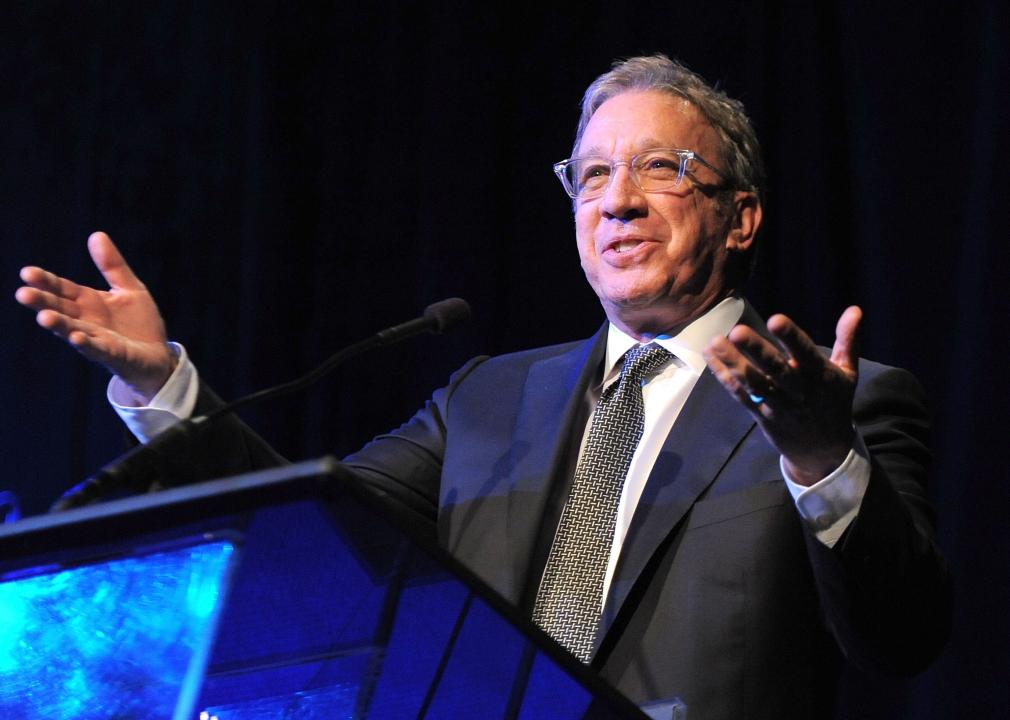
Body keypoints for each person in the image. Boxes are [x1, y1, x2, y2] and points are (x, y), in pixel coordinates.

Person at [16, 55, 949, 719]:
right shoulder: (485, 400)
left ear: (740, 217)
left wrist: (821, 456)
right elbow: (323, 541)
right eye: (591, 176)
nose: (616, 200)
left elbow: (900, 640)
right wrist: (168, 388)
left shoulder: (840, 404)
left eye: (660, 168)